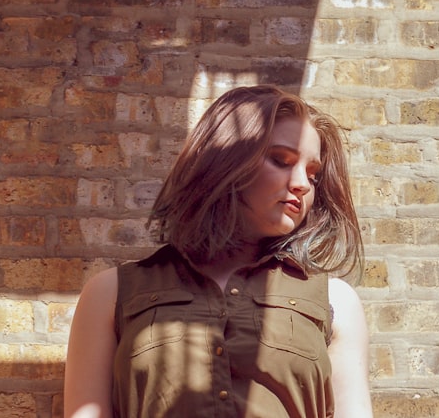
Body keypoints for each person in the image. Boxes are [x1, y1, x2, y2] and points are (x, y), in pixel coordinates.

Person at [64, 85, 372, 418]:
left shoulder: (334, 301)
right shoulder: (111, 293)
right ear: (224, 163)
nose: (302, 184)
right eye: (281, 161)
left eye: (313, 174)